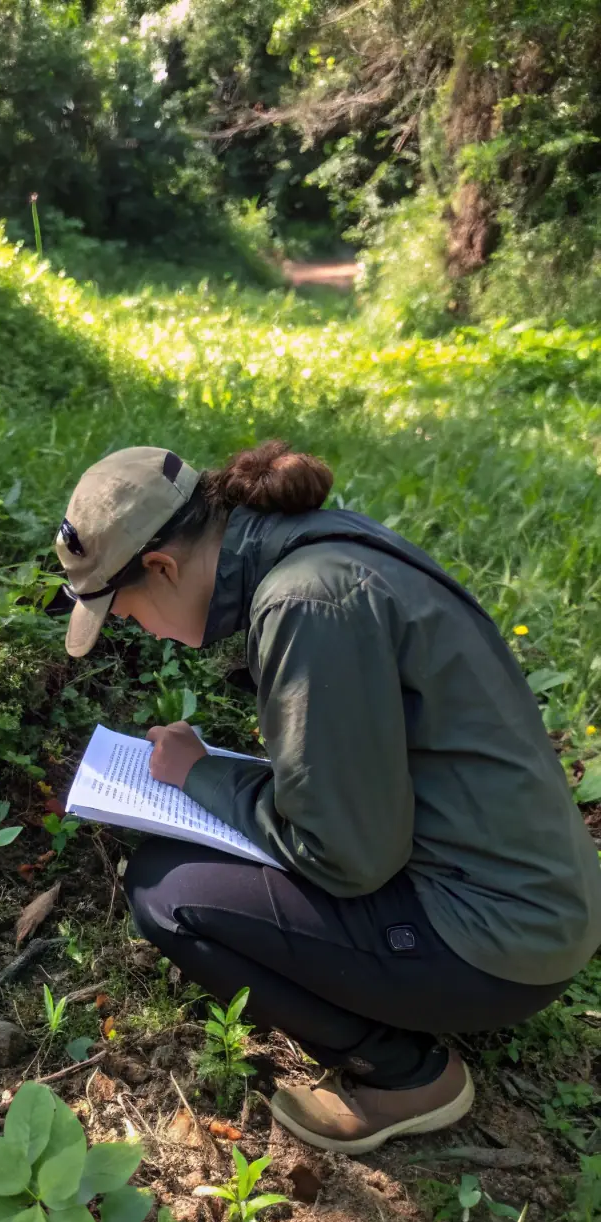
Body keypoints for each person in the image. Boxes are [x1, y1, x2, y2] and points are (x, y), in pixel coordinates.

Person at [52, 442, 601, 1155]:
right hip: (535, 897)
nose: (138, 629)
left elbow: (348, 858)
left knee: (167, 889)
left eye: (124, 613)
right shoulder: (314, 550)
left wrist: (203, 777)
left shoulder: (303, 603)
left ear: (162, 567)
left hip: (501, 937)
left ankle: (405, 1075)